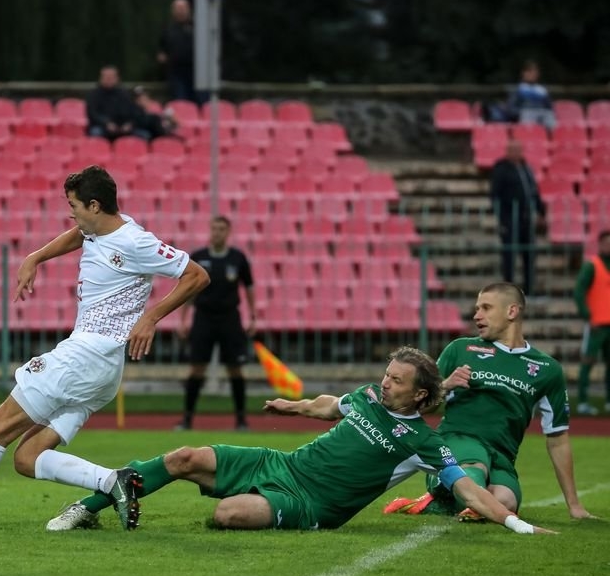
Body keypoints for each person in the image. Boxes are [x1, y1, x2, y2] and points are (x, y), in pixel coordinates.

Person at [0, 165, 210, 533]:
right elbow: (79, 234)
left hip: (85, 356)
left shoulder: (135, 241)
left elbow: (197, 275)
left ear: (94, 206)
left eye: (74, 205)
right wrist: (35, 257)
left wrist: (151, 318)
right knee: (28, 458)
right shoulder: (103, 226)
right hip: (103, 371)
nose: (71, 213)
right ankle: (114, 480)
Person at [47, 347, 552, 535]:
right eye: (386, 374)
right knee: (183, 456)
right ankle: (87, 507)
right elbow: (330, 405)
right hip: (282, 464)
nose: (385, 383)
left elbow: (468, 490)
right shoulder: (367, 397)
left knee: (227, 516)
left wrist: (518, 524)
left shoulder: (424, 441)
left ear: (419, 394)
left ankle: (252, 506)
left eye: (396, 380)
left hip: (312, 503)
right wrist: (294, 406)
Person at [385, 283, 596, 521]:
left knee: (506, 501)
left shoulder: (547, 369)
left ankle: (436, 502)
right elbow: (416, 407)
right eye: (477, 309)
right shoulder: (460, 349)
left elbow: (557, 438)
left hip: (502, 455)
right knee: (475, 470)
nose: (477, 315)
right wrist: (445, 385)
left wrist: (574, 506)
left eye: (486, 308)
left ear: (511, 311)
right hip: (457, 441)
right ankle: (455, 488)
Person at [175, 216, 256, 431]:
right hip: (203, 318)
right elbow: (188, 289)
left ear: (228, 232)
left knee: (235, 369)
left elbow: (249, 287)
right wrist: (182, 319)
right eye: (214, 228)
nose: (217, 232)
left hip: (230, 318)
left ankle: (241, 420)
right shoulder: (198, 257)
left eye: (221, 229)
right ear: (210, 231)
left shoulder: (238, 258)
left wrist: (253, 315)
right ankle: (187, 419)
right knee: (197, 368)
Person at [491, 140, 545, 296]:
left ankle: (529, 289)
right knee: (509, 255)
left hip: (526, 218)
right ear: (507, 151)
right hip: (510, 217)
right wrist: (502, 219)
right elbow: (495, 195)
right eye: (513, 150)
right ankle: (508, 289)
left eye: (518, 150)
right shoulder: (501, 169)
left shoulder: (526, 168)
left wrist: (541, 211)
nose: (516, 153)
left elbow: (534, 191)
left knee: (529, 254)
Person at [573, 231, 610, 415]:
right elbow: (579, 292)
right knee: (588, 362)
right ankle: (582, 401)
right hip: (597, 324)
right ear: (600, 244)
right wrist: (587, 316)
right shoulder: (592, 266)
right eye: (606, 243)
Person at [157, 0, 205, 105]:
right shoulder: (168, 28)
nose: (180, 11)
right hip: (177, 73)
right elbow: (162, 47)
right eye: (178, 8)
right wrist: (162, 56)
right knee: (181, 102)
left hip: (197, 72)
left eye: (183, 8)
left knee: (201, 102)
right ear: (173, 11)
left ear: (189, 9)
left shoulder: (198, 27)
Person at [85, 65, 150, 141]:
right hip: (102, 127)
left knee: (145, 135)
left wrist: (130, 124)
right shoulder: (93, 95)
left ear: (117, 78)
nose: (109, 80)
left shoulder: (124, 94)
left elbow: (134, 112)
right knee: (96, 133)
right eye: (106, 77)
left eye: (111, 77)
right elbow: (93, 114)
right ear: (101, 78)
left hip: (123, 128)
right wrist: (106, 123)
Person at [510, 60, 556, 129]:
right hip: (526, 114)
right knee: (527, 114)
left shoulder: (542, 90)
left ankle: (553, 135)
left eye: (535, 72)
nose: (532, 74)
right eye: (530, 71)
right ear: (523, 73)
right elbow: (511, 109)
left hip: (542, 114)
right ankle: (528, 134)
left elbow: (550, 108)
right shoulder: (518, 89)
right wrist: (522, 112)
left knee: (549, 115)